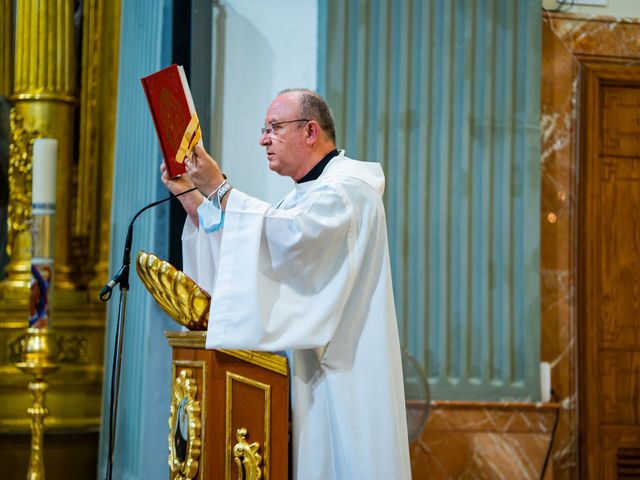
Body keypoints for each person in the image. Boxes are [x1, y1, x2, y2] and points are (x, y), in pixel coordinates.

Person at [161, 89, 411, 479]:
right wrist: (192, 195)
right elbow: (252, 249)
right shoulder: (302, 198)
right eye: (265, 129)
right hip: (311, 376)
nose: (263, 139)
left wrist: (221, 189)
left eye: (274, 128)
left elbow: (293, 238)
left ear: (311, 131)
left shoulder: (348, 191)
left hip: (347, 377)